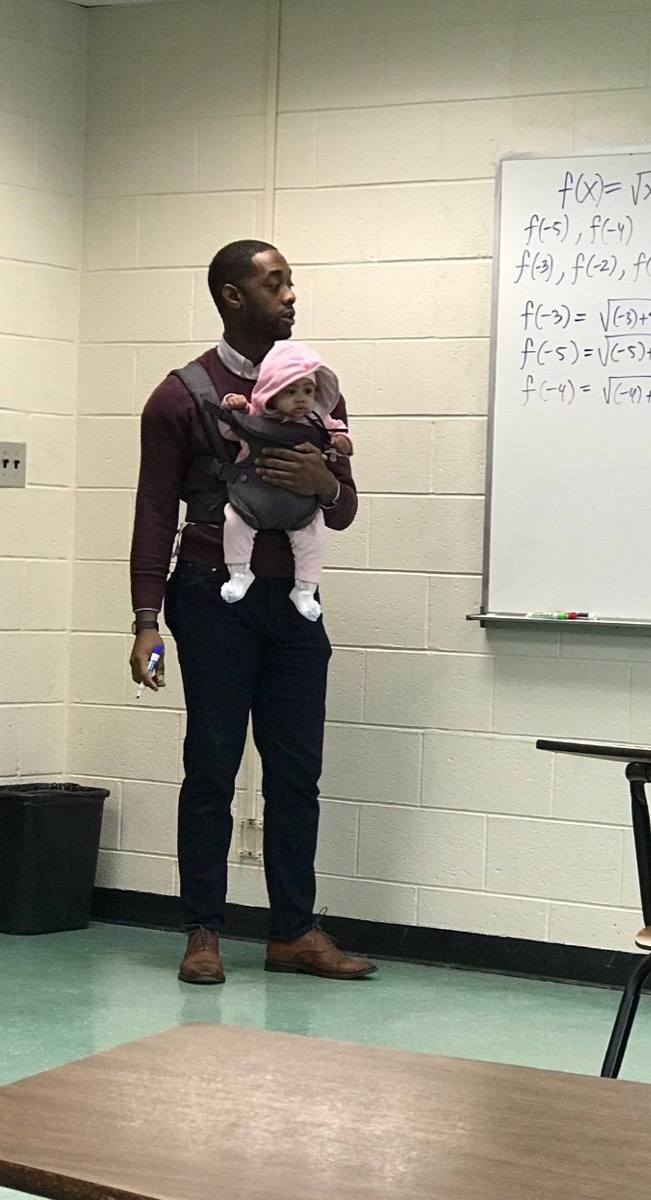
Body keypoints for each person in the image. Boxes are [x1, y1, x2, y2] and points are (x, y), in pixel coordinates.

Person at [128, 239, 376, 985]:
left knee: (296, 774)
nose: (292, 294)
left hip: (293, 608)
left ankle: (292, 932)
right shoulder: (181, 396)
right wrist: (146, 621)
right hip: (210, 597)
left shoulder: (317, 390)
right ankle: (203, 931)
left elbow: (344, 512)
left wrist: (323, 483)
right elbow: (151, 513)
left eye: (292, 281)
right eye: (275, 283)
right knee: (211, 766)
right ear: (233, 298)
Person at [217, 339, 353, 620]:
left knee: (312, 533)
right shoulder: (253, 416)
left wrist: (341, 441)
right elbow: (229, 431)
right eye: (290, 391)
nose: (302, 398)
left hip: (299, 506)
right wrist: (233, 406)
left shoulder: (319, 421)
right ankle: (239, 573)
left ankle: (305, 589)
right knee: (234, 519)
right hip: (254, 497)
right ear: (272, 392)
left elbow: (338, 432)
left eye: (308, 390)